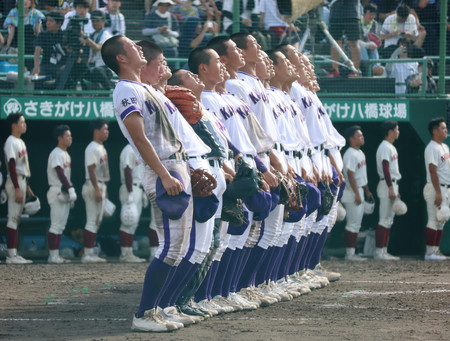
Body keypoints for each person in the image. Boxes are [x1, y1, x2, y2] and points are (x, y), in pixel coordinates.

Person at [101, 35, 192, 332]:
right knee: (169, 246)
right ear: (121, 58)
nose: (139, 47)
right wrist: (165, 175)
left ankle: (160, 309)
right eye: (132, 46)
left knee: (178, 247)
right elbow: (139, 138)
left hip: (174, 164)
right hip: (162, 168)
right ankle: (144, 313)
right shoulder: (126, 89)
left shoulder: (142, 87)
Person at [3, 113, 34, 264]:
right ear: (13, 125)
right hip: (14, 182)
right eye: (22, 122)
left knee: (17, 219)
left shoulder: (20, 141)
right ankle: (11, 255)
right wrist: (17, 187)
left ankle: (14, 254)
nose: (24, 124)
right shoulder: (11, 141)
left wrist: (26, 186)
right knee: (13, 218)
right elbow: (11, 165)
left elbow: (23, 168)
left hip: (21, 181)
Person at [81, 118, 110, 264]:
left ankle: (91, 252)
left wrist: (104, 189)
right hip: (92, 185)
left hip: (100, 184)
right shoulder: (92, 147)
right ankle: (87, 254)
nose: (107, 132)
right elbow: (91, 169)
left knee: (96, 221)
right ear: (96, 131)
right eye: (104, 129)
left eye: (107, 129)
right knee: (92, 221)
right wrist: (98, 189)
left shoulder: (101, 147)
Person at [341, 126, 373, 261]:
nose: (362, 137)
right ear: (351, 139)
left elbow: (361, 175)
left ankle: (352, 252)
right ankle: (349, 254)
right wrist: (357, 194)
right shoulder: (350, 153)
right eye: (359, 135)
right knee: (352, 224)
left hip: (358, 189)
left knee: (356, 224)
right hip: (351, 191)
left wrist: (366, 190)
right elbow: (350, 174)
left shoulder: (360, 153)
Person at [46, 125, 77, 264]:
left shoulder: (67, 154)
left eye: (70, 136)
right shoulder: (56, 153)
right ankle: (52, 256)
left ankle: (56, 255)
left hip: (63, 191)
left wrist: (69, 191)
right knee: (55, 225)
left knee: (61, 226)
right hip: (56, 189)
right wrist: (70, 188)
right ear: (60, 138)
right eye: (67, 136)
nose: (70, 138)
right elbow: (59, 173)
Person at [423, 118, 450, 260]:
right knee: (433, 219)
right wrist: (438, 192)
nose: (446, 130)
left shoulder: (445, 147)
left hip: (445, 188)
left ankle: (436, 251)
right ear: (435, 131)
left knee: (442, 220)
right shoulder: (431, 147)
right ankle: (429, 253)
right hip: (435, 188)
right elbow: (433, 171)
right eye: (443, 128)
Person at [375, 121, 402, 260]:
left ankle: (384, 251)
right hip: (387, 184)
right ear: (390, 131)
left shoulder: (390, 147)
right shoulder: (385, 146)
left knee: (389, 220)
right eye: (397, 129)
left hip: (391, 184)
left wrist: (394, 188)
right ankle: (379, 252)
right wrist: (391, 187)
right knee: (384, 219)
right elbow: (385, 167)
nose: (398, 132)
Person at [118, 144, 147, 263]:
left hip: (138, 188)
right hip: (130, 188)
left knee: (134, 223)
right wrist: (130, 192)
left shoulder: (139, 149)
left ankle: (129, 253)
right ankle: (124, 254)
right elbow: (127, 170)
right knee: (128, 220)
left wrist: (144, 192)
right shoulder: (128, 149)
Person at [3, 0, 45, 70]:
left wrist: (41, 46)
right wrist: (7, 46)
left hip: (30, 44)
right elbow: (11, 33)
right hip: (17, 44)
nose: (25, 1)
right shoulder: (13, 12)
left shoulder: (35, 13)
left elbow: (38, 32)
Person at [81, 10, 114, 90]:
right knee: (79, 71)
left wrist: (84, 37)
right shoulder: (92, 35)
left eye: (97, 21)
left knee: (97, 70)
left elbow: (97, 47)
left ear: (103, 21)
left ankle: (109, 89)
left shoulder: (106, 35)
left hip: (105, 69)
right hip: (93, 67)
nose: (95, 23)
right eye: (93, 21)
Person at [327, 0, 361, 77]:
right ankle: (335, 69)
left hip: (352, 13)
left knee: (353, 42)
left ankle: (355, 70)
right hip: (335, 13)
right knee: (335, 42)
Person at [32, 11, 66, 82]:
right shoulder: (43, 35)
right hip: (46, 65)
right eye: (47, 20)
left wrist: (66, 65)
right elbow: (37, 50)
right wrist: (36, 67)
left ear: (59, 24)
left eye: (51, 21)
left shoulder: (65, 36)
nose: (47, 23)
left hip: (60, 66)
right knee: (35, 74)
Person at [359, 3, 384, 76]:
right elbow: (355, 40)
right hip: (355, 47)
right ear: (364, 13)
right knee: (362, 48)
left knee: (374, 48)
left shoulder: (374, 24)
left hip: (369, 47)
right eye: (370, 14)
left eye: (373, 14)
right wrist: (367, 44)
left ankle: (376, 67)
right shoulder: (357, 22)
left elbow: (374, 39)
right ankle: (367, 68)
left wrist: (372, 45)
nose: (372, 16)